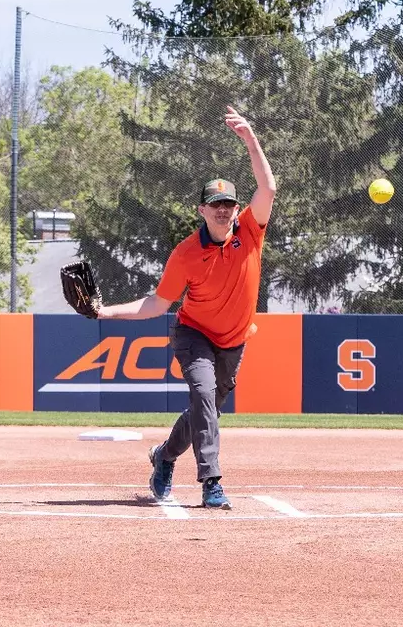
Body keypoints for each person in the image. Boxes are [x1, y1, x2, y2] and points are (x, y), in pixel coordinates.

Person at [94, 107, 276, 510]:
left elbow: (268, 187)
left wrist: (250, 139)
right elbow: (157, 303)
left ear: (236, 208)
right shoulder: (186, 253)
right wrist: (107, 312)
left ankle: (164, 455)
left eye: (228, 203)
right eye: (215, 204)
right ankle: (211, 481)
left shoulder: (250, 231)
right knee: (204, 396)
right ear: (202, 210)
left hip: (234, 341)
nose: (223, 209)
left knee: (204, 409)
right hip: (193, 335)